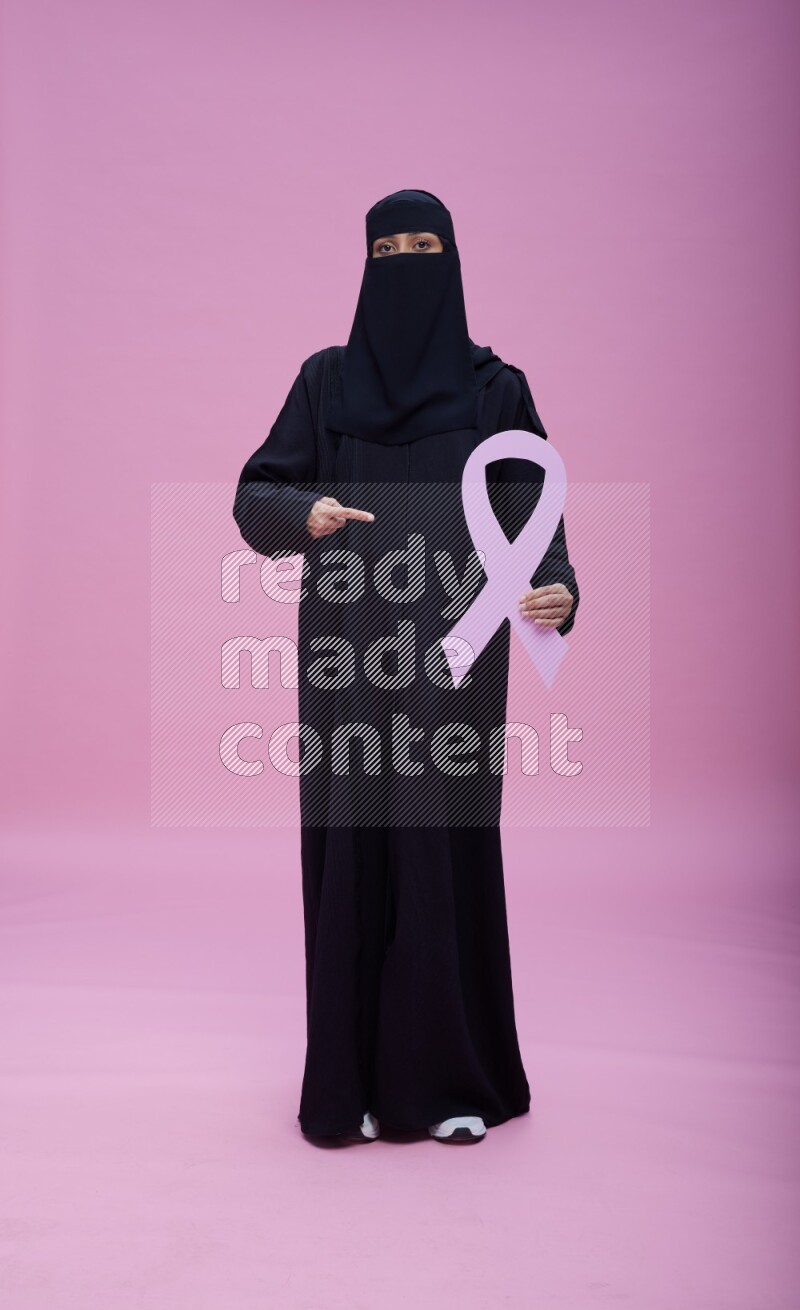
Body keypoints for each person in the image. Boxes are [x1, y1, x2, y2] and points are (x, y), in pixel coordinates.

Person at [233, 189, 579, 1145]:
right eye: (389, 247)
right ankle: (358, 1087)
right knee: (355, 847)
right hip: (350, 652)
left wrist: (557, 591)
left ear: (455, 259)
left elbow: (533, 509)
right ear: (363, 263)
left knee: (443, 851)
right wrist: (301, 515)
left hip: (461, 656)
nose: (408, 261)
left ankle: (452, 1082)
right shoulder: (325, 382)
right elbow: (256, 489)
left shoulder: (494, 390)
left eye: (424, 245)